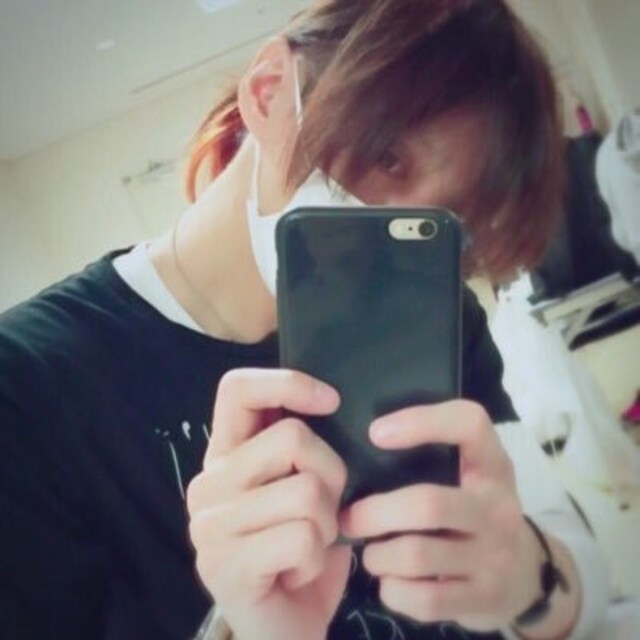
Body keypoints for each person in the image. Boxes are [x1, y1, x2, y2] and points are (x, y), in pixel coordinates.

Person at [0, 1, 610, 639]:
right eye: (387, 158)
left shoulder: (439, 318)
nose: (394, 225)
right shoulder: (28, 388)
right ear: (269, 91)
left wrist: (529, 580)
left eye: (447, 218)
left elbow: (581, 579)